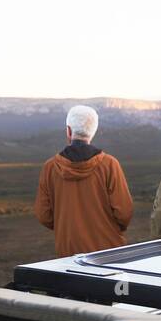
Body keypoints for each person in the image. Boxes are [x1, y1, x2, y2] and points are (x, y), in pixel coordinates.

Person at [34, 104, 133, 257]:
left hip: (68, 254)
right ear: (93, 132)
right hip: (108, 254)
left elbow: (44, 215)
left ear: (68, 130)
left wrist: (66, 226)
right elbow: (124, 213)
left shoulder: (50, 167)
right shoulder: (109, 165)